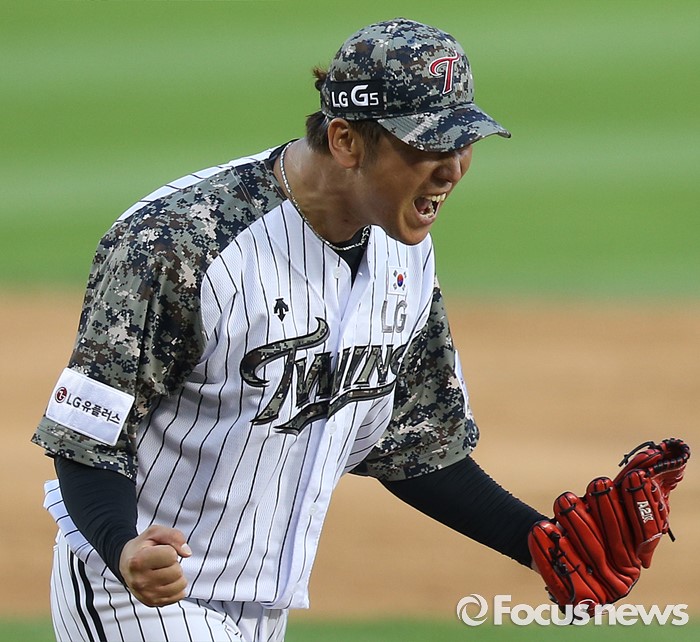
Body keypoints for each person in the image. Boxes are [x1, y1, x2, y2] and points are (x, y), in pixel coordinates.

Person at [32, 18, 547, 642]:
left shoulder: (402, 249)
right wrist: (123, 546)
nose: (452, 168)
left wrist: (539, 542)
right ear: (345, 140)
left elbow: (413, 442)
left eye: (463, 142)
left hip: (263, 611)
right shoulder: (181, 242)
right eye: (426, 146)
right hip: (136, 596)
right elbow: (87, 434)